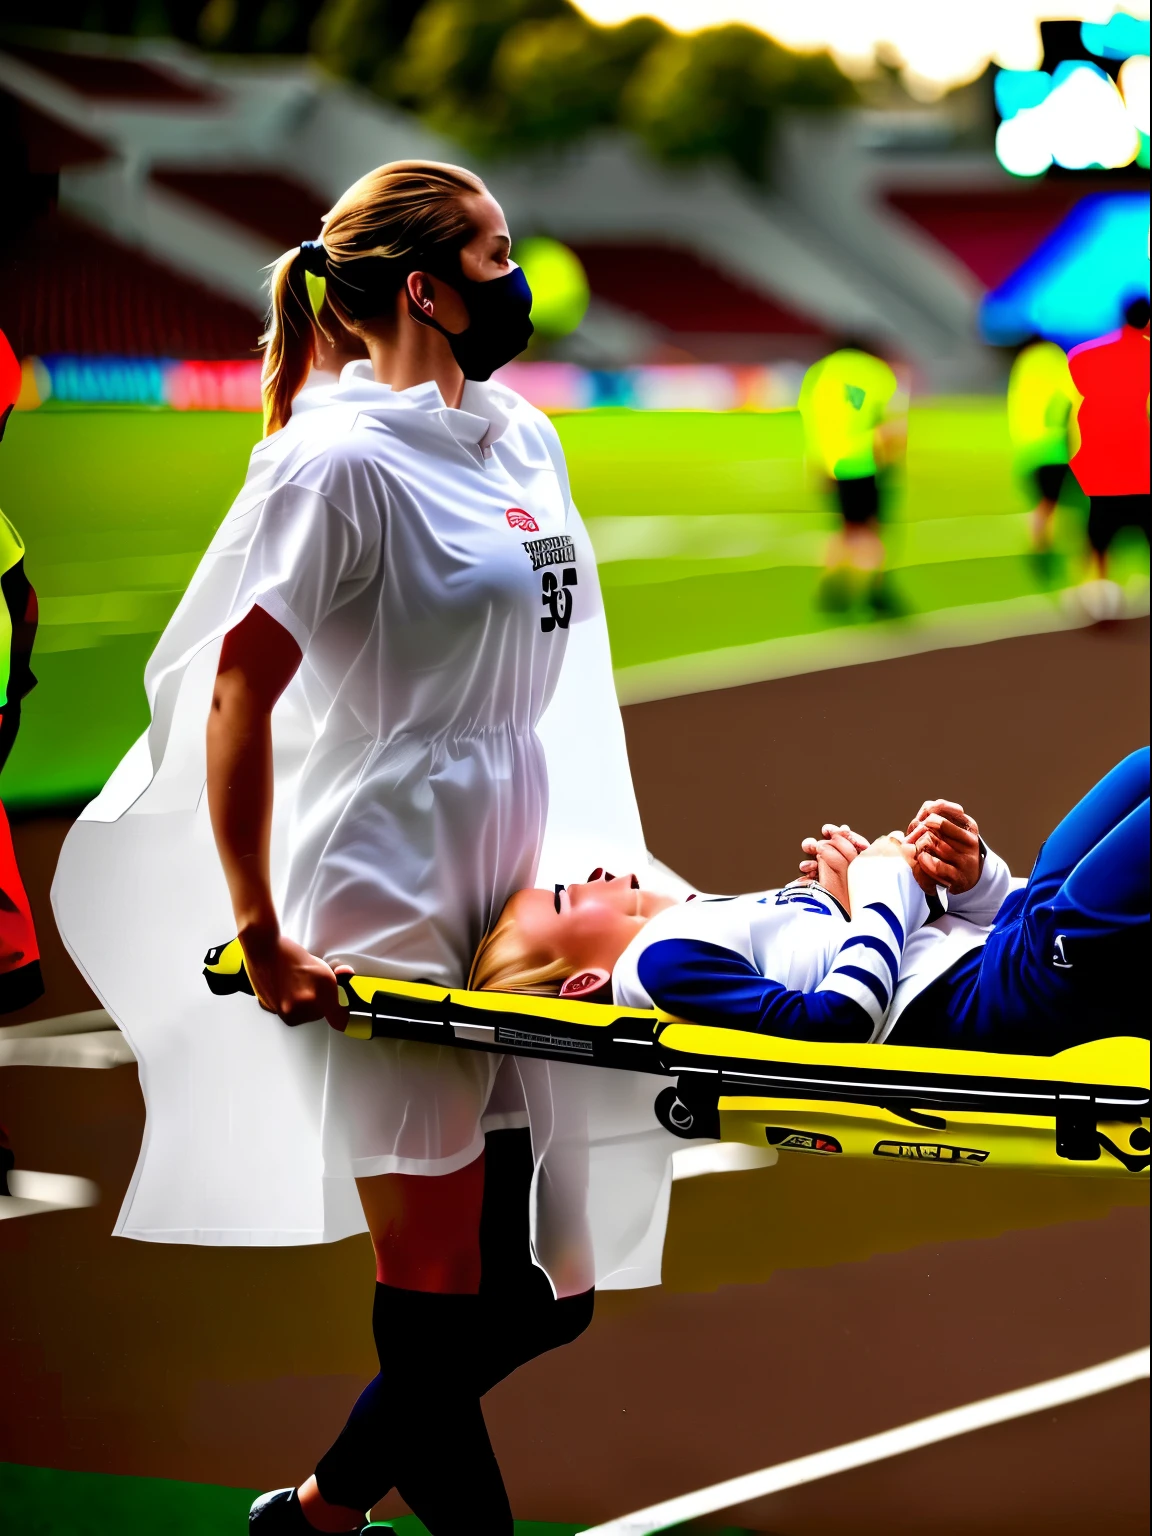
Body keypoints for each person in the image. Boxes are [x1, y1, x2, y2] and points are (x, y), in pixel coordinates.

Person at [53, 161, 686, 1536]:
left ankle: (320, 1513)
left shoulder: (523, 437)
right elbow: (238, 695)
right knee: (444, 1296)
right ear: (423, 287)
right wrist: (264, 927)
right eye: (496, 253)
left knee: (545, 1295)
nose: (519, 281)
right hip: (386, 877)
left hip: (507, 857)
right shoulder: (331, 463)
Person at [471, 749, 1149, 1057]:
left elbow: (907, 951)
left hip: (1014, 940)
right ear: (583, 981)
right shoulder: (657, 967)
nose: (586, 873)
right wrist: (886, 891)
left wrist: (962, 882)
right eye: (563, 897)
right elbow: (834, 1026)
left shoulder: (691, 923)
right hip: (1021, 987)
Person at [797, 339, 906, 616]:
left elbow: (811, 418)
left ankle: (834, 591)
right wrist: (890, 459)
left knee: (846, 528)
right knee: (869, 530)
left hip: (831, 461)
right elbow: (889, 423)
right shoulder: (875, 371)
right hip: (867, 460)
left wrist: (818, 463)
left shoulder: (821, 371)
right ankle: (874, 592)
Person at [1067, 296, 1150, 610]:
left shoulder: (1085, 355)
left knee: (1099, 536)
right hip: (1142, 465)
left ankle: (1098, 597)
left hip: (1102, 466)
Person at [1005, 335, 1077, 552]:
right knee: (1054, 501)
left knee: (1046, 500)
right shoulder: (1056, 361)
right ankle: (1044, 544)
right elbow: (1068, 398)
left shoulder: (1025, 363)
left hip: (1027, 447)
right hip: (1054, 445)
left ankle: (1040, 541)